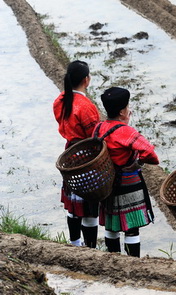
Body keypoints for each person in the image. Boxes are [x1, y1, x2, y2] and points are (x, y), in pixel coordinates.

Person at [95, 86, 159, 257]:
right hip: (127, 185)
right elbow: (151, 154)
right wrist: (138, 163)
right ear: (123, 112)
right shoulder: (126, 131)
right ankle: (133, 262)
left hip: (107, 184)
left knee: (112, 225)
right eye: (128, 107)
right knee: (131, 228)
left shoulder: (99, 128)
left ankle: (113, 259)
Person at [53, 60, 101, 248]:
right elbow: (93, 136)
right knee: (90, 206)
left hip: (69, 154)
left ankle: (74, 243)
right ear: (86, 80)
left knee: (73, 204)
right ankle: (90, 247)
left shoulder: (60, 100)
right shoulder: (86, 106)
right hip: (86, 157)